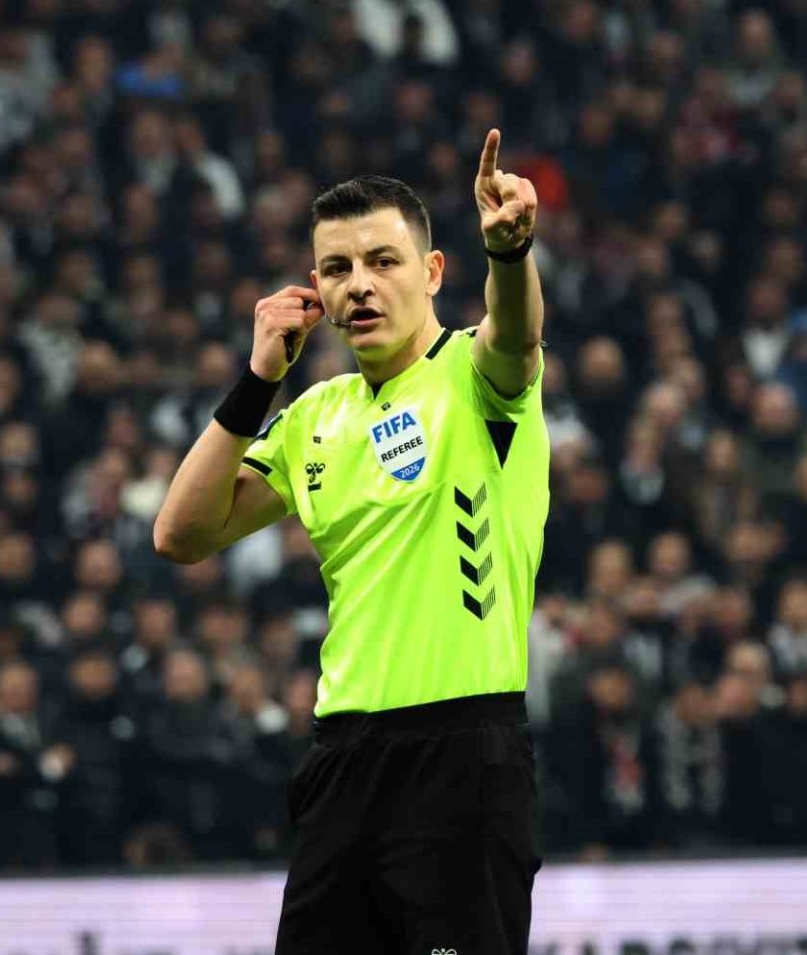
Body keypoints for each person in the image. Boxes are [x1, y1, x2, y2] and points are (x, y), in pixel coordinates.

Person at [154, 129, 548, 953]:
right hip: (341, 761)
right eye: (336, 269)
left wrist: (510, 255)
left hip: (462, 755)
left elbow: (515, 334)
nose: (359, 284)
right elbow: (180, 534)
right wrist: (259, 379)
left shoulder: (474, 377)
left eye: (382, 261)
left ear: (432, 272)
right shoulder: (314, 416)